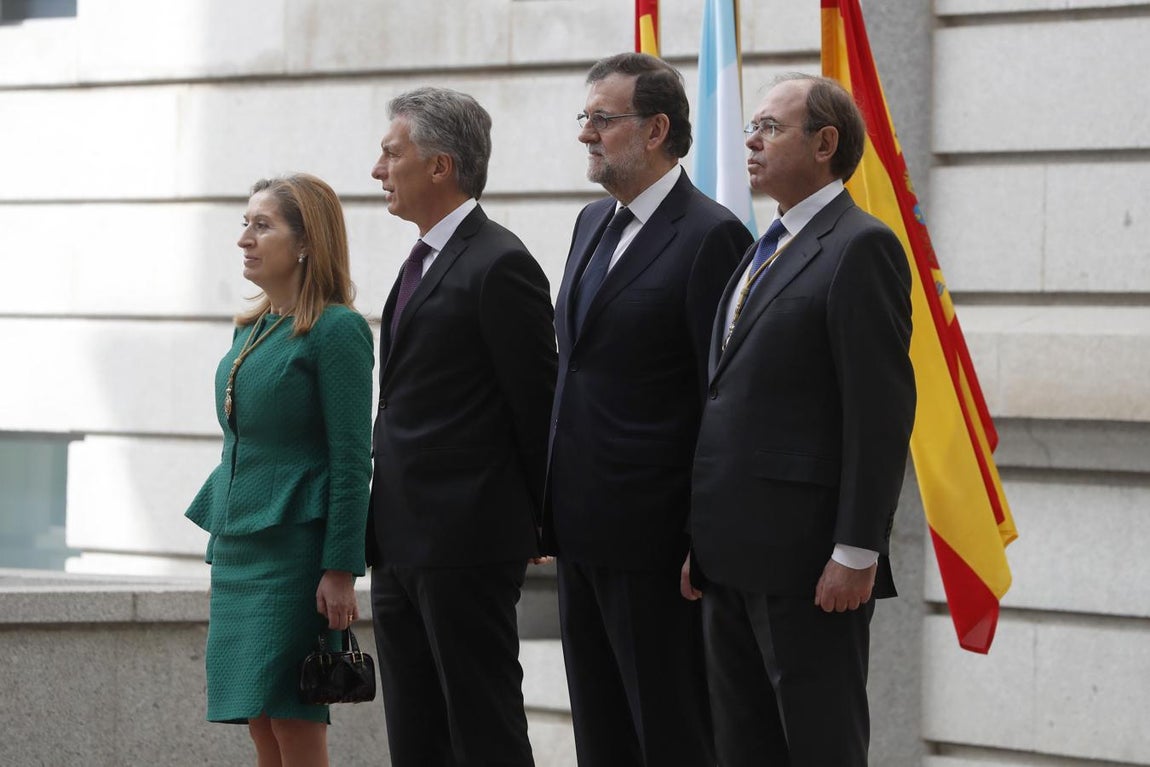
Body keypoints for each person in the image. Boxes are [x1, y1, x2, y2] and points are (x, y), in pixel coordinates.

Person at [686, 72, 917, 766]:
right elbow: (730, 401)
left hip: (812, 567)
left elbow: (879, 413)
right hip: (730, 560)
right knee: (742, 747)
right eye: (750, 127)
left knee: (820, 745)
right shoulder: (762, 247)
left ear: (824, 143)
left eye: (769, 128)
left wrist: (856, 550)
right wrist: (702, 537)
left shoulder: (860, 246)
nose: (749, 141)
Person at [542, 52, 752, 767]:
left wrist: (704, 532)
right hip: (579, 532)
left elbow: (721, 399)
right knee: (600, 738)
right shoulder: (589, 224)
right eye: (585, 118)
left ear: (656, 127)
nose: (586, 135)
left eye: (602, 119)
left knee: (670, 735)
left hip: (660, 547)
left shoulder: (713, 235)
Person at [365, 86, 557, 767]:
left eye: (392, 153)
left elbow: (538, 405)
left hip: (469, 542)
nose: (378, 170)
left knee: (484, 730)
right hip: (398, 543)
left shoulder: (500, 262)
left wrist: (542, 521)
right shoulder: (418, 260)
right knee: (416, 737)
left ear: (440, 166)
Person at [185, 173, 373, 767]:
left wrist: (340, 569)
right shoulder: (253, 327)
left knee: (294, 718)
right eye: (245, 223)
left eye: (262, 225)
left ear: (305, 242)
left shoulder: (337, 330)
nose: (245, 237)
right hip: (240, 550)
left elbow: (350, 460)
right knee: (260, 719)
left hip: (295, 555)